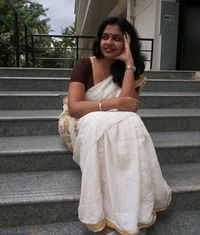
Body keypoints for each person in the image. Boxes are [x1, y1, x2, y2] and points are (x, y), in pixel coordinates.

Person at [58, 16, 171, 235]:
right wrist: (115, 103)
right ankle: (101, 215)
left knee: (133, 121)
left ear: (127, 43)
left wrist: (129, 64)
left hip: (115, 119)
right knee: (99, 122)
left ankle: (130, 209)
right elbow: (75, 108)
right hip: (79, 119)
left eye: (117, 38)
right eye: (105, 37)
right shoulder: (84, 65)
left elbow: (127, 108)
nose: (109, 42)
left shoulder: (130, 72)